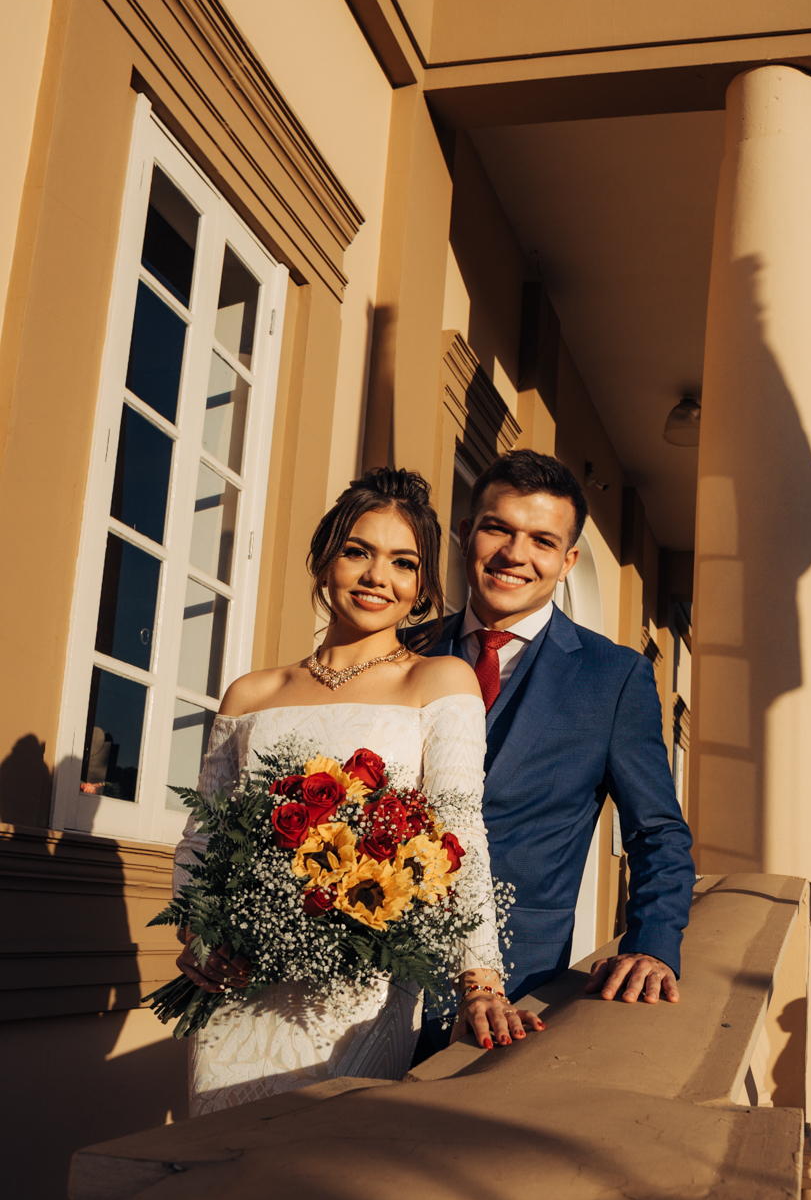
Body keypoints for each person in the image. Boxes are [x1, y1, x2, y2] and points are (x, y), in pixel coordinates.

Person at [174, 467, 540, 1115]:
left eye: (403, 562)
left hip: (364, 989)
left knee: (322, 1165)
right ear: (323, 562)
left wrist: (480, 980)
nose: (378, 577)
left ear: (423, 586)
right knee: (220, 1164)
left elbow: (459, 835)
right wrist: (203, 939)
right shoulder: (251, 694)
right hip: (242, 987)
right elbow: (205, 838)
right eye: (357, 552)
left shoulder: (439, 680)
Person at [416, 449, 695, 1060]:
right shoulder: (404, 650)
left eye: (542, 540)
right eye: (498, 528)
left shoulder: (613, 677)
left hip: (515, 992)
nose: (516, 555)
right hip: (367, 969)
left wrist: (651, 944)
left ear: (568, 561)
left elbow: (658, 834)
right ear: (466, 533)